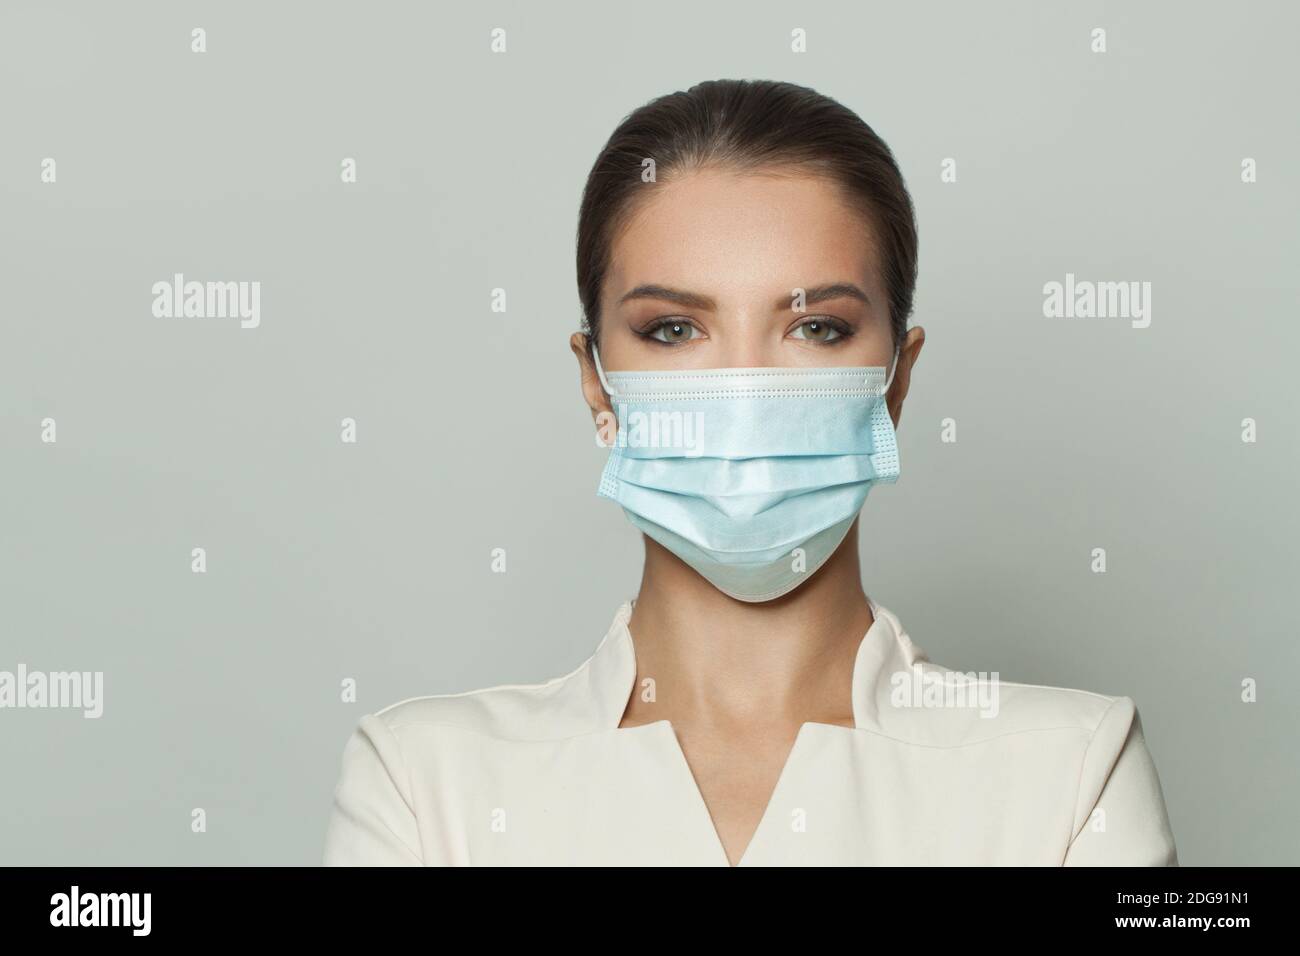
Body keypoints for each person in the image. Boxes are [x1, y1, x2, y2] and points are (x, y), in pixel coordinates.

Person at [323, 78, 1178, 866]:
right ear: (596, 381)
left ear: (898, 379)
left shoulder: (1072, 771)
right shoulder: (422, 783)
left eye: (817, 329)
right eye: (672, 329)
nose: (744, 392)